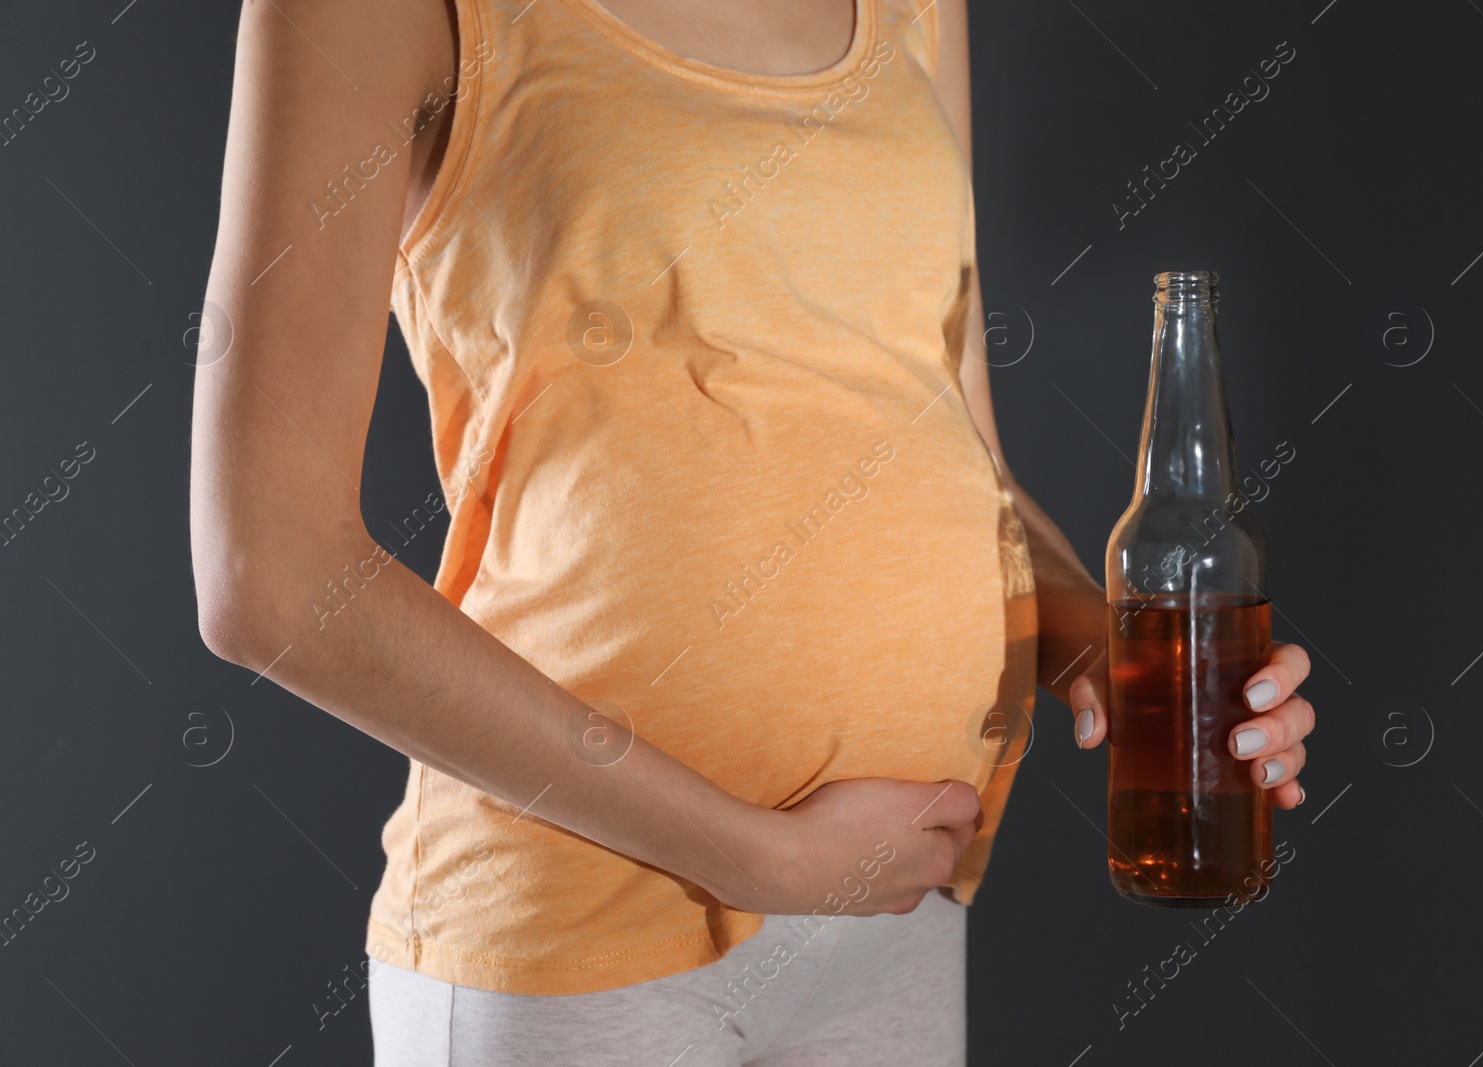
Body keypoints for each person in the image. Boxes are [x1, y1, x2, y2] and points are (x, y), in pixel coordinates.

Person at [189, 0, 1316, 1062]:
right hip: (576, 941)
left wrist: (1119, 655)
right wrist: (760, 856)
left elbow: (961, 456)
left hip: (890, 913)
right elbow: (271, 575)